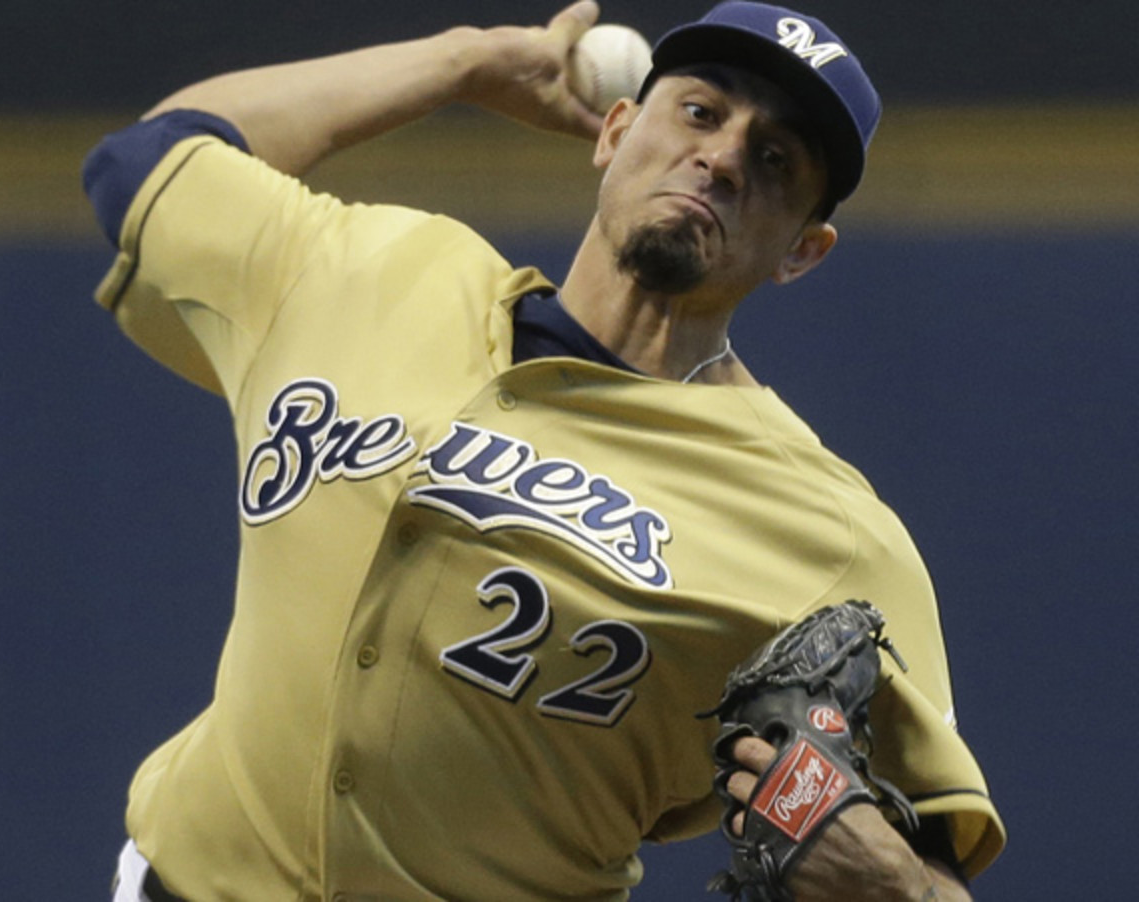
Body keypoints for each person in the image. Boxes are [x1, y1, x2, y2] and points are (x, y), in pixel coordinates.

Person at [83, 2, 1005, 899]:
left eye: (773, 159)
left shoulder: (830, 534)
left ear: (802, 251)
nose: (720, 157)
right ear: (614, 130)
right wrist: (462, 65)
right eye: (700, 111)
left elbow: (932, 863)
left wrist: (900, 891)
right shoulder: (377, 267)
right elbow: (153, 160)